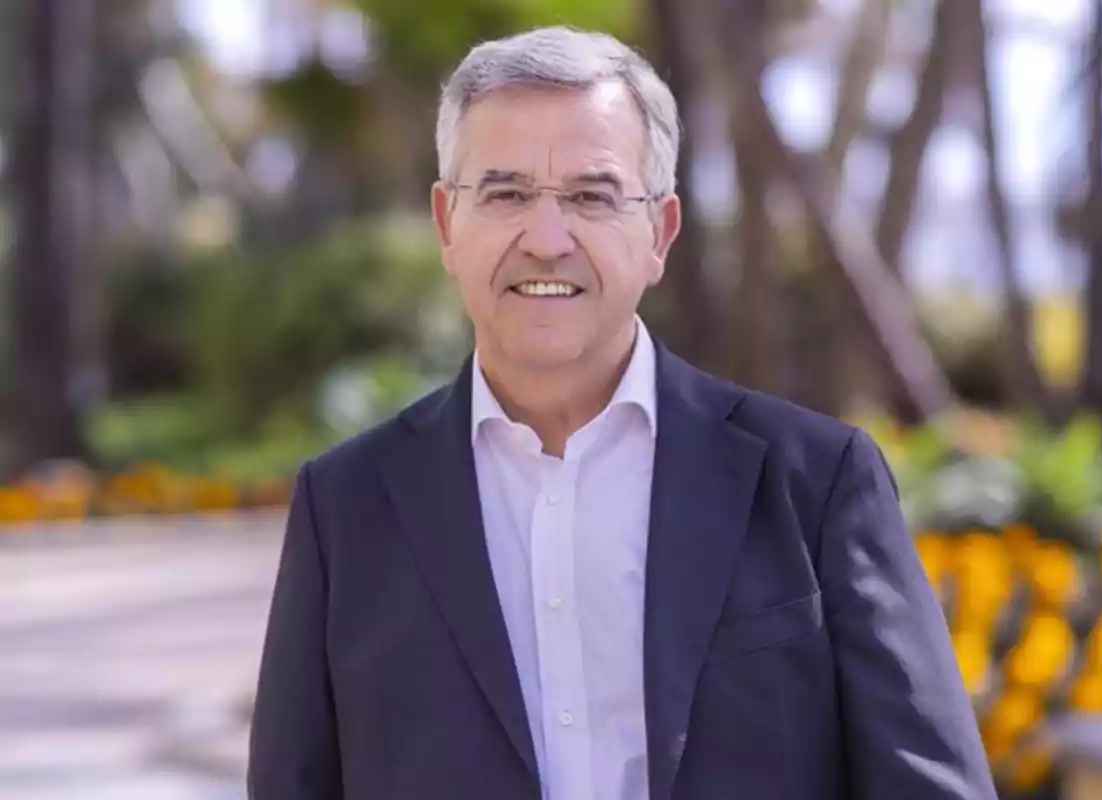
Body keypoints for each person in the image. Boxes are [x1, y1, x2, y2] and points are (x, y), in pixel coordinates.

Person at [248, 25, 997, 800]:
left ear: (659, 233)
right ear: (446, 223)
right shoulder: (345, 511)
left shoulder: (818, 483)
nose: (545, 239)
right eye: (505, 194)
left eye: (591, 195)